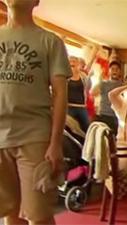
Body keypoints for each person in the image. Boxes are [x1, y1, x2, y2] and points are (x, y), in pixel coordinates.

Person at [0, 0, 71, 225]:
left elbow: (60, 94)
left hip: (35, 136)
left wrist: (56, 142)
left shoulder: (50, 41)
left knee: (38, 216)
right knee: (9, 212)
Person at [90, 60, 123, 133]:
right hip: (104, 115)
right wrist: (100, 80)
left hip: (117, 116)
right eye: (112, 69)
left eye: (116, 69)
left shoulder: (122, 85)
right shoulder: (104, 83)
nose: (114, 71)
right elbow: (93, 92)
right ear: (109, 71)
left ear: (120, 71)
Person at [67, 56, 90, 131]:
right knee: (68, 127)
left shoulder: (83, 76)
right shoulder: (65, 77)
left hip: (81, 106)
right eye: (70, 61)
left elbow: (88, 88)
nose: (72, 62)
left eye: (74, 61)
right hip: (69, 106)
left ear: (78, 64)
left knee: (87, 126)